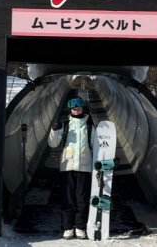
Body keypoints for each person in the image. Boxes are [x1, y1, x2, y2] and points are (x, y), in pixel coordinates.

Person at [48, 97, 95, 240]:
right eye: (74, 109)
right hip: (67, 166)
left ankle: (80, 227)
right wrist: (54, 131)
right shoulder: (65, 125)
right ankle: (68, 227)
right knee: (68, 198)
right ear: (70, 110)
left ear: (83, 109)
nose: (76, 111)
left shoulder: (90, 125)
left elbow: (95, 144)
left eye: (79, 108)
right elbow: (53, 143)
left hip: (85, 167)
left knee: (82, 198)